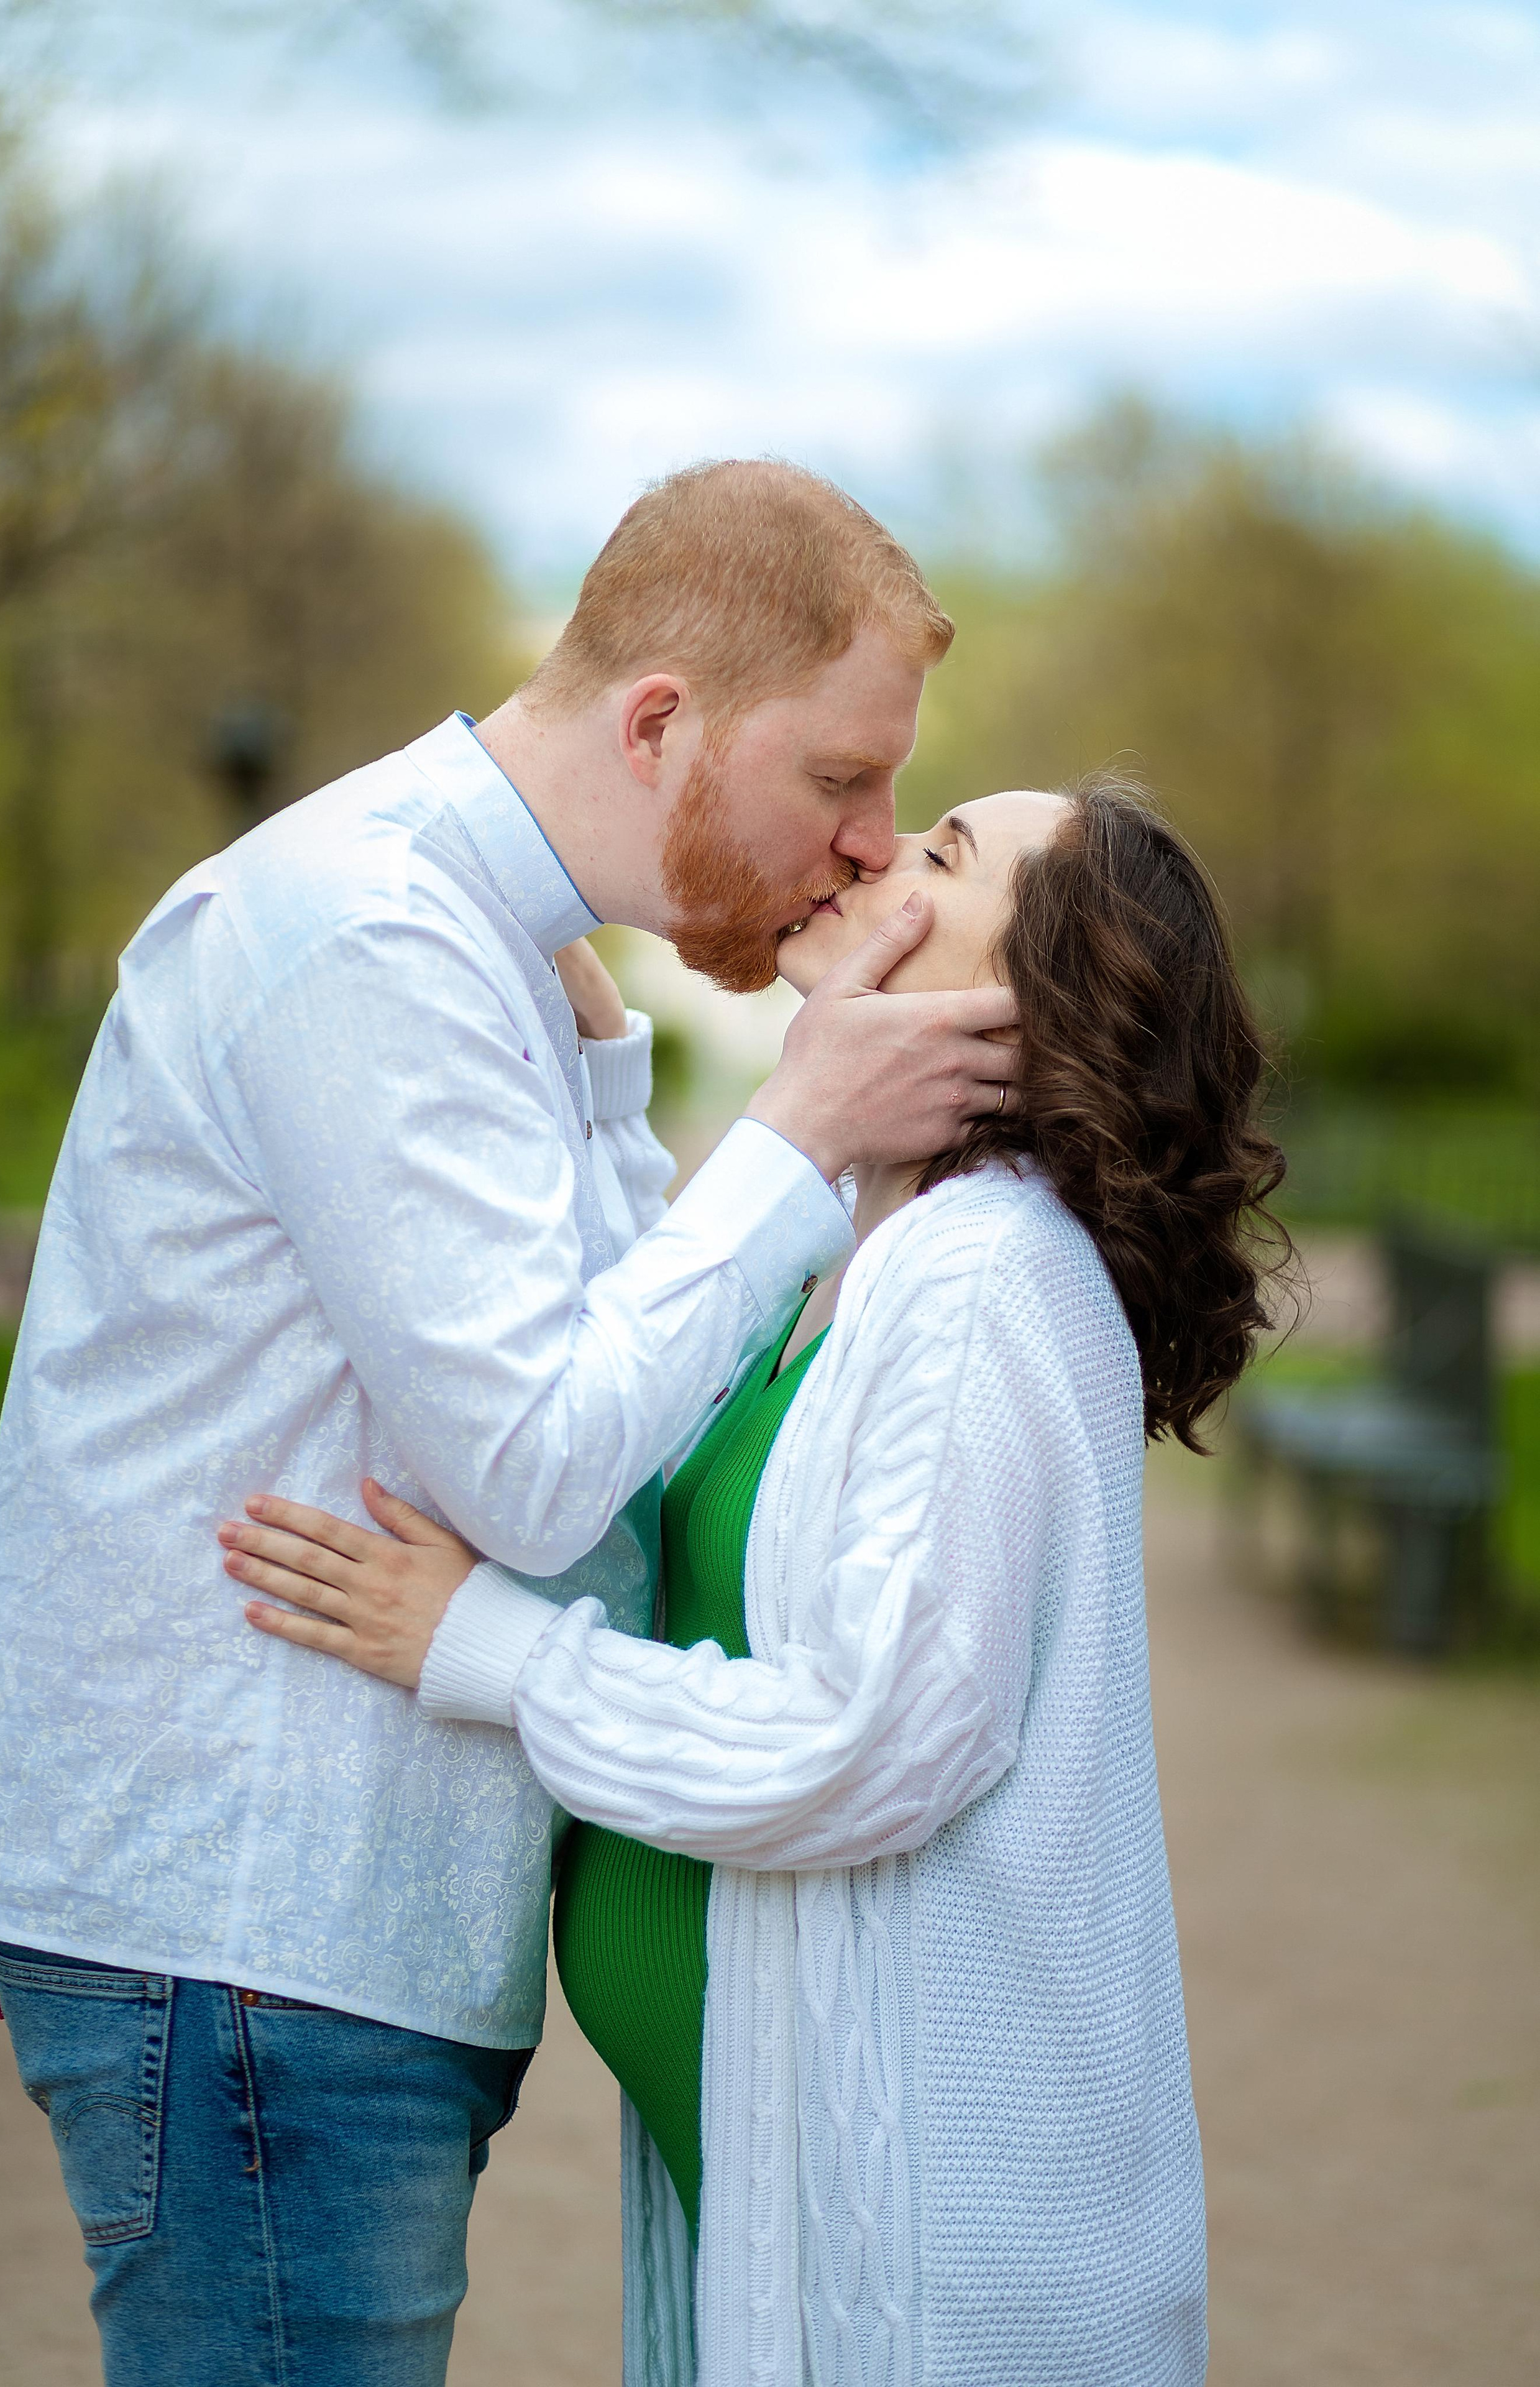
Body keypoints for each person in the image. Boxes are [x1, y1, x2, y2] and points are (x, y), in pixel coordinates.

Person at [0, 461, 1020, 2387]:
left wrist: (629, 1077)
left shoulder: (484, 940)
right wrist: (802, 1132)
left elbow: (629, 1373)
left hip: (320, 1931)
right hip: (251, 1923)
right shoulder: (369, 932)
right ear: (660, 724)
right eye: (844, 781)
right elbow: (535, 1461)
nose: (869, 848)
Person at [226, 778, 1290, 2386]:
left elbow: (871, 1740)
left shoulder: (988, 1274)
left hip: (947, 2276)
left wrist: (489, 1652)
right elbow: (616, 1380)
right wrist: (597, 1087)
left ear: (1033, 1000)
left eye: (943, 856)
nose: (877, 849)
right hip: (791, 2208)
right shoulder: (860, 1257)